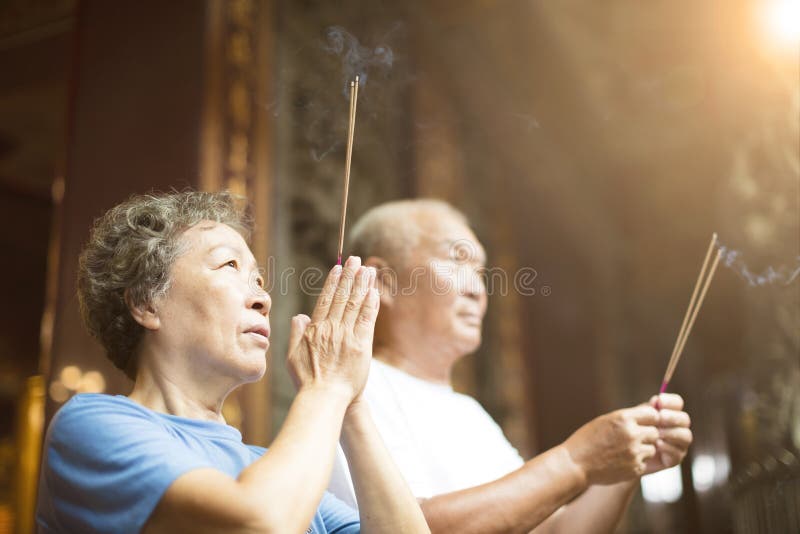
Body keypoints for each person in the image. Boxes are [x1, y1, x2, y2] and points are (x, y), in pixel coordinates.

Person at [36, 191, 430, 534]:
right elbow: (257, 524)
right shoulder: (92, 424)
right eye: (229, 266)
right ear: (145, 302)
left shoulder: (264, 466)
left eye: (259, 280)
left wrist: (351, 404)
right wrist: (326, 387)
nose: (263, 298)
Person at [328, 199, 694, 533]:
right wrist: (576, 459)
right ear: (383, 281)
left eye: (481, 272)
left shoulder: (469, 412)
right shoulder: (354, 387)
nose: (477, 290)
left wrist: (628, 460)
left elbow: (557, 531)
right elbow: (409, 527)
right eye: (457, 260)